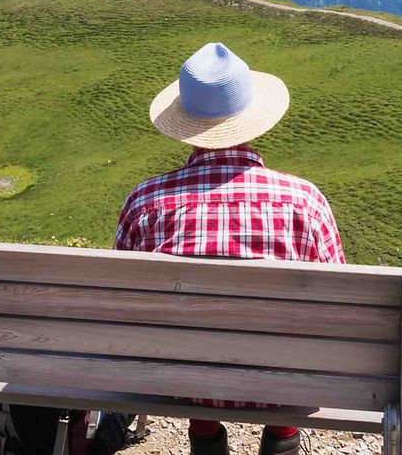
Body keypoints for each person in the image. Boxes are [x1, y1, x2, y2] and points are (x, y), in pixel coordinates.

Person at [116, 43, 345, 455]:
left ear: (184, 126)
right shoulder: (306, 201)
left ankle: (205, 431)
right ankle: (283, 434)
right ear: (253, 120)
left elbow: (118, 300)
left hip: (178, 378)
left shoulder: (144, 201)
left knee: (195, 347)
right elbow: (339, 309)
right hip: (281, 381)